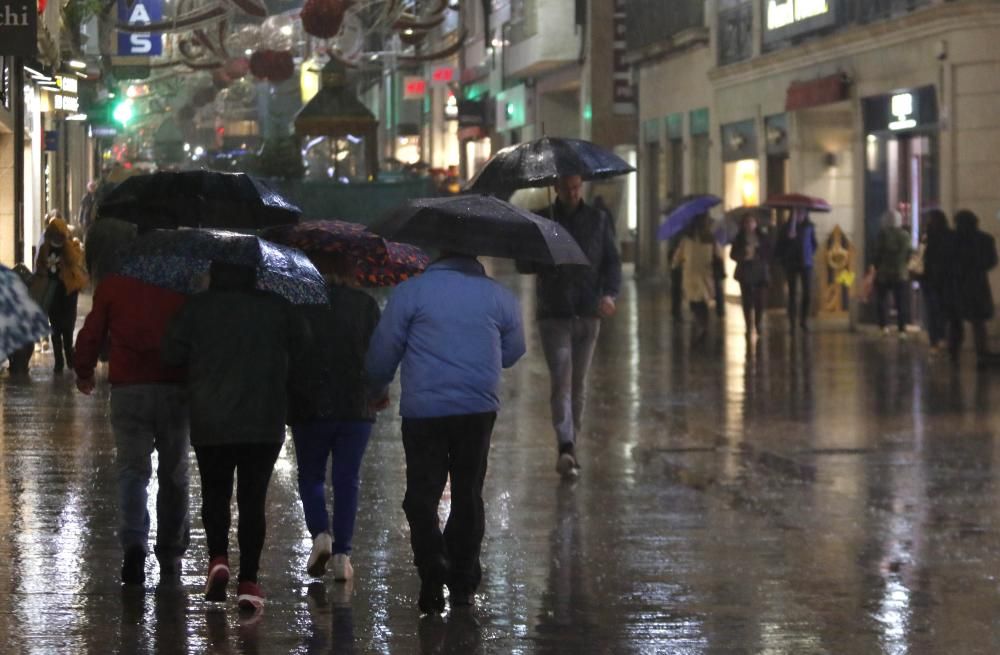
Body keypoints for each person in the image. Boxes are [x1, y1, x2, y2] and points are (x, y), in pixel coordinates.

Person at [365, 252, 525, 614]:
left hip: (425, 411)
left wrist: (377, 389)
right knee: (468, 492)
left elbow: (382, 351)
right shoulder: (498, 296)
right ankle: (464, 580)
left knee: (421, 494)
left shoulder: (411, 292)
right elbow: (514, 352)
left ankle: (432, 560)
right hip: (477, 408)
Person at [162, 261, 307, 612]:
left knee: (215, 491)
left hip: (212, 417)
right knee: (253, 499)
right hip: (263, 418)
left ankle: (217, 558)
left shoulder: (196, 307)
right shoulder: (277, 307)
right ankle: (250, 582)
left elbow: (171, 353)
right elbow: (305, 346)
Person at [74, 274, 190, 585]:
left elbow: (92, 332)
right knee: (174, 472)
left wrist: (83, 370)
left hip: (129, 388)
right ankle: (170, 549)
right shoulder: (182, 282)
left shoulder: (114, 284)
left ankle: (134, 544)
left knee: (132, 470)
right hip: (174, 388)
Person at [517, 175, 621, 480]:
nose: (573, 192)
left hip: (588, 313)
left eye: (577, 187)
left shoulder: (598, 220)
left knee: (579, 383)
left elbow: (612, 262)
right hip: (554, 313)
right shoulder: (542, 219)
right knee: (561, 378)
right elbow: (523, 265)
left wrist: (610, 295)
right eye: (567, 187)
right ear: (557, 189)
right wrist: (539, 251)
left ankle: (570, 442)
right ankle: (565, 445)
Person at [288, 252, 381, 582]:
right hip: (356, 405)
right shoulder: (366, 305)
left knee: (311, 476)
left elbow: (291, 352)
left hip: (309, 404)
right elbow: (379, 353)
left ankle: (321, 535)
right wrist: (378, 389)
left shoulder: (301, 304)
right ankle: (342, 556)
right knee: (347, 479)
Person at [34, 213, 88, 372]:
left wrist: (66, 244)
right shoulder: (45, 247)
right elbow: (40, 266)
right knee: (56, 327)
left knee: (68, 326)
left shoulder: (68, 246)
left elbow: (73, 261)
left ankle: (70, 357)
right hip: (52, 291)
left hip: (68, 291)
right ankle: (59, 362)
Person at [948, 209, 998, 364]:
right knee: (978, 322)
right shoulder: (985, 239)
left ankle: (954, 353)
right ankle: (981, 353)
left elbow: (946, 261)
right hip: (977, 284)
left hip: (957, 284)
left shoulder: (953, 239)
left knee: (956, 321)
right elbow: (992, 261)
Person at [671, 213, 723, 343]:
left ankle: (701, 324)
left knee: (697, 302)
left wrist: (675, 264)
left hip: (696, 275)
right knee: (699, 302)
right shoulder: (706, 240)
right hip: (699, 275)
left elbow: (678, 257)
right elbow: (719, 255)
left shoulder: (690, 240)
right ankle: (702, 324)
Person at [871, 210, 913, 338]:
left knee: (882, 301)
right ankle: (902, 329)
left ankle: (883, 326)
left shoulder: (882, 235)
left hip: (883, 273)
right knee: (901, 302)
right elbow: (909, 254)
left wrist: (876, 266)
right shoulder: (905, 235)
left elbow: (877, 253)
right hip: (901, 273)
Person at [919, 209, 956, 352]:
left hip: (930, 279)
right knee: (940, 311)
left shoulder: (928, 237)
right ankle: (940, 339)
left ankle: (935, 341)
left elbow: (923, 256)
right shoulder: (950, 236)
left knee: (933, 311)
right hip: (943, 279)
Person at [776, 207, 818, 332]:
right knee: (792, 293)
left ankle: (804, 320)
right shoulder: (787, 227)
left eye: (802, 213)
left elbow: (814, 244)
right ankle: (792, 322)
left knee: (807, 293)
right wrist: (790, 237)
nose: (800, 215)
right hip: (791, 263)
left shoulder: (809, 227)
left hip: (806, 263)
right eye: (797, 213)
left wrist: (809, 254)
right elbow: (780, 245)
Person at [730, 211, 772, 337]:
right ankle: (748, 325)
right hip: (745, 270)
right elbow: (733, 254)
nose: (749, 225)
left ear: (756, 223)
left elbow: (769, 252)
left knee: (759, 300)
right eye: (747, 222)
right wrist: (743, 255)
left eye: (751, 222)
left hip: (759, 270)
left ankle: (757, 324)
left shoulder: (762, 236)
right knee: (747, 300)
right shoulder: (739, 238)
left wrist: (758, 252)